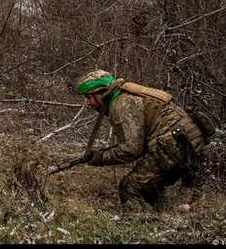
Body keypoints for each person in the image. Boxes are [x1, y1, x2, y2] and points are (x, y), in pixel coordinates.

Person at [74, 69, 209, 209]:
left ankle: (144, 221)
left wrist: (99, 157)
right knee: (152, 188)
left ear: (101, 93)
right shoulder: (131, 94)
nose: (88, 103)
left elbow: (131, 150)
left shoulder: (122, 103)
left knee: (130, 187)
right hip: (192, 142)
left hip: (174, 145)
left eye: (89, 97)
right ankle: (170, 214)